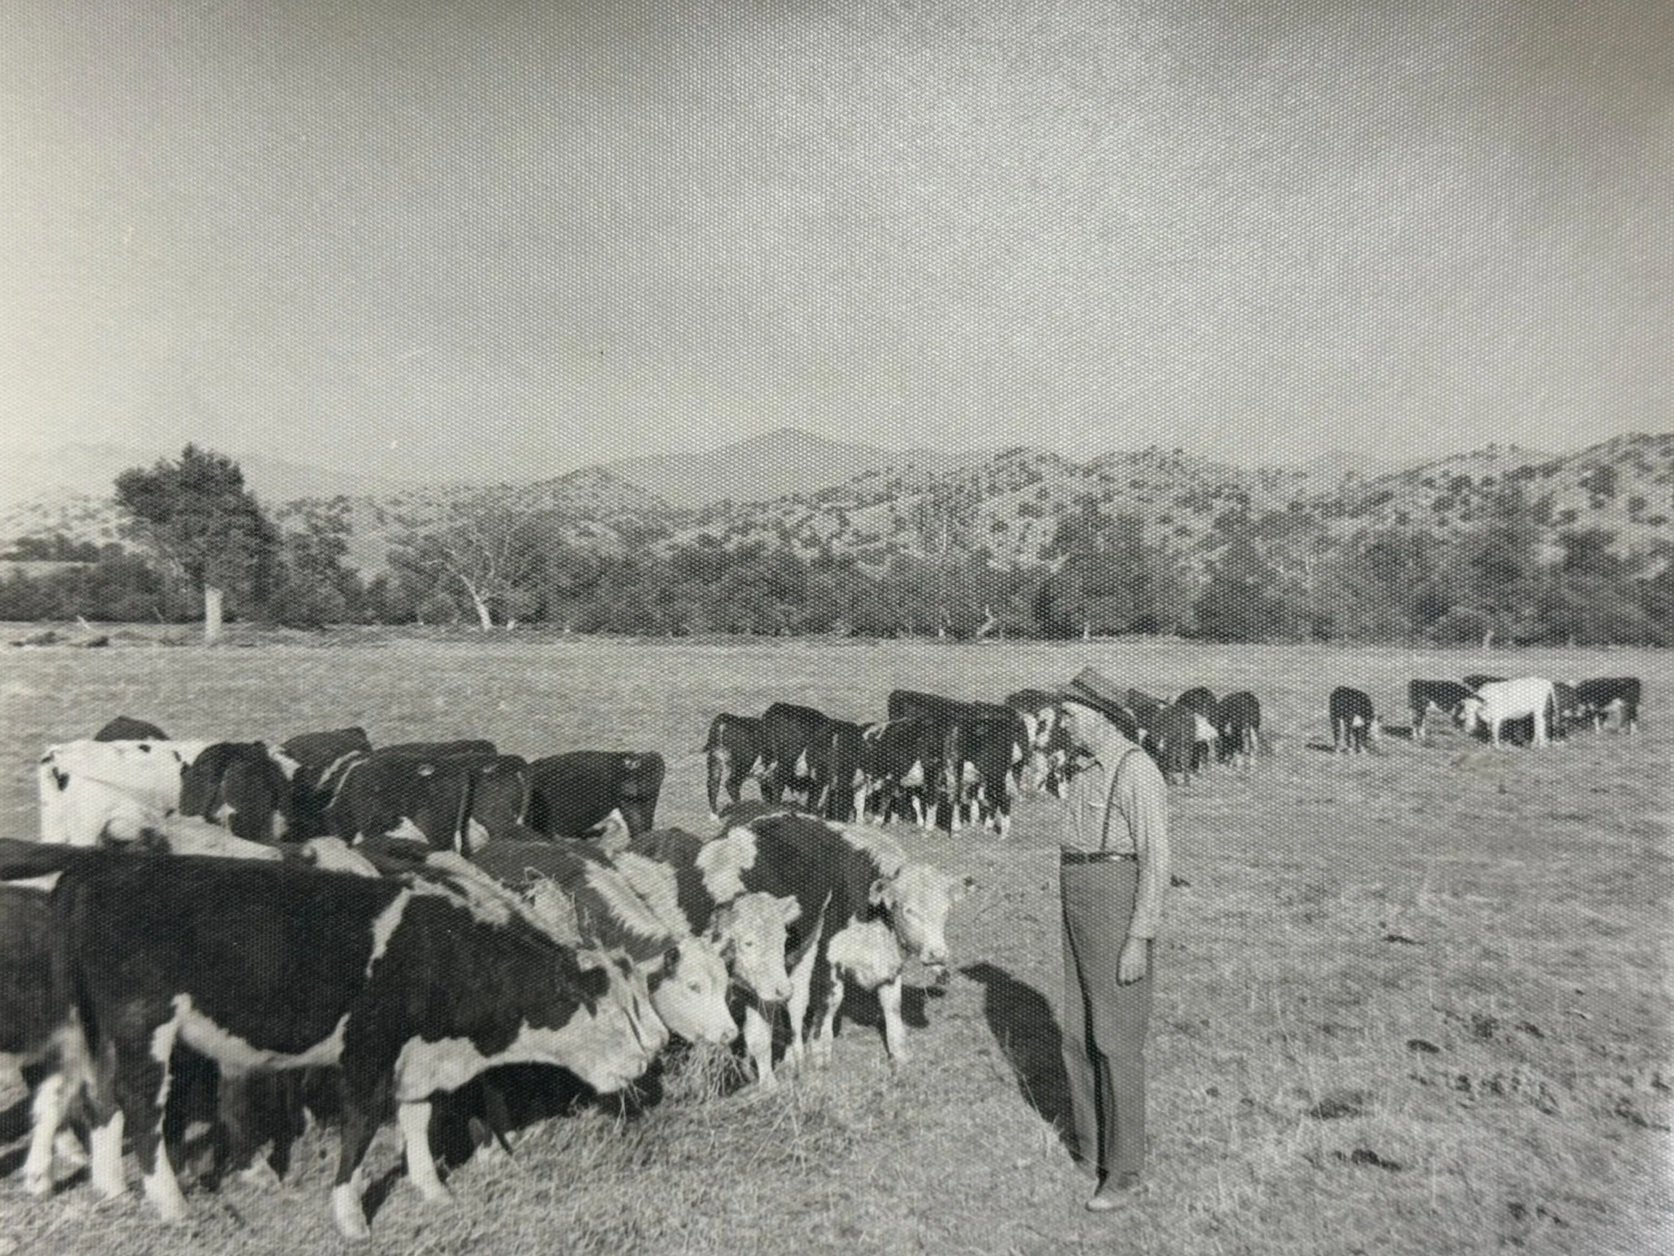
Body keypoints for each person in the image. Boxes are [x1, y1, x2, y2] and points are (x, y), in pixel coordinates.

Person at [1054, 665, 1171, 1212]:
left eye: (1070, 714)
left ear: (1099, 718)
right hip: (1076, 897)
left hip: (1115, 901)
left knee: (1116, 1038)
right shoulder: (1080, 769)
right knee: (1076, 1031)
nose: (1062, 722)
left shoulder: (1136, 770)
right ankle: (1090, 1146)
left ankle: (1125, 1170)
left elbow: (1157, 862)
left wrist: (1138, 937)